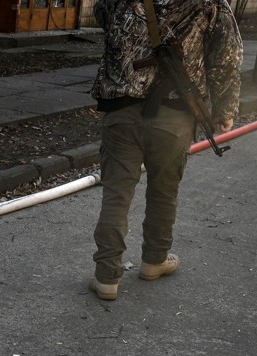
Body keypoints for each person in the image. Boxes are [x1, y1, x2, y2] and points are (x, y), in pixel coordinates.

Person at [87, 0, 243, 300]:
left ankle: (107, 276)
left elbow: (102, 15)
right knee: (164, 191)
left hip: (121, 113)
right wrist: (225, 109)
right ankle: (154, 261)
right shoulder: (211, 3)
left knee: (116, 196)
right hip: (174, 117)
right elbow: (226, 56)